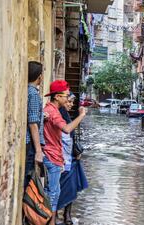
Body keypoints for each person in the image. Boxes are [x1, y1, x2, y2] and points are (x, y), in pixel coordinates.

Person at [43, 80, 87, 225]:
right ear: (57, 97)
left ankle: (52, 220)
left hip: (56, 156)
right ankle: (50, 221)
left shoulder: (51, 110)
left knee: (54, 192)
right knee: (53, 193)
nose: (68, 99)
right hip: (52, 156)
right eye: (65, 96)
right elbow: (67, 130)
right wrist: (81, 116)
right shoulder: (53, 112)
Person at [57, 92, 88, 225]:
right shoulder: (58, 115)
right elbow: (66, 132)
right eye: (68, 101)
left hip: (71, 157)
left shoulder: (65, 114)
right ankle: (63, 215)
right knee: (63, 187)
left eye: (72, 102)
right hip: (63, 158)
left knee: (72, 186)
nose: (70, 104)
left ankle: (67, 214)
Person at [25, 61, 45, 188]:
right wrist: (38, 151)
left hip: (29, 142)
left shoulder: (27, 91)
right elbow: (33, 123)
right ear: (39, 77)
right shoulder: (33, 94)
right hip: (30, 143)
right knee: (27, 179)